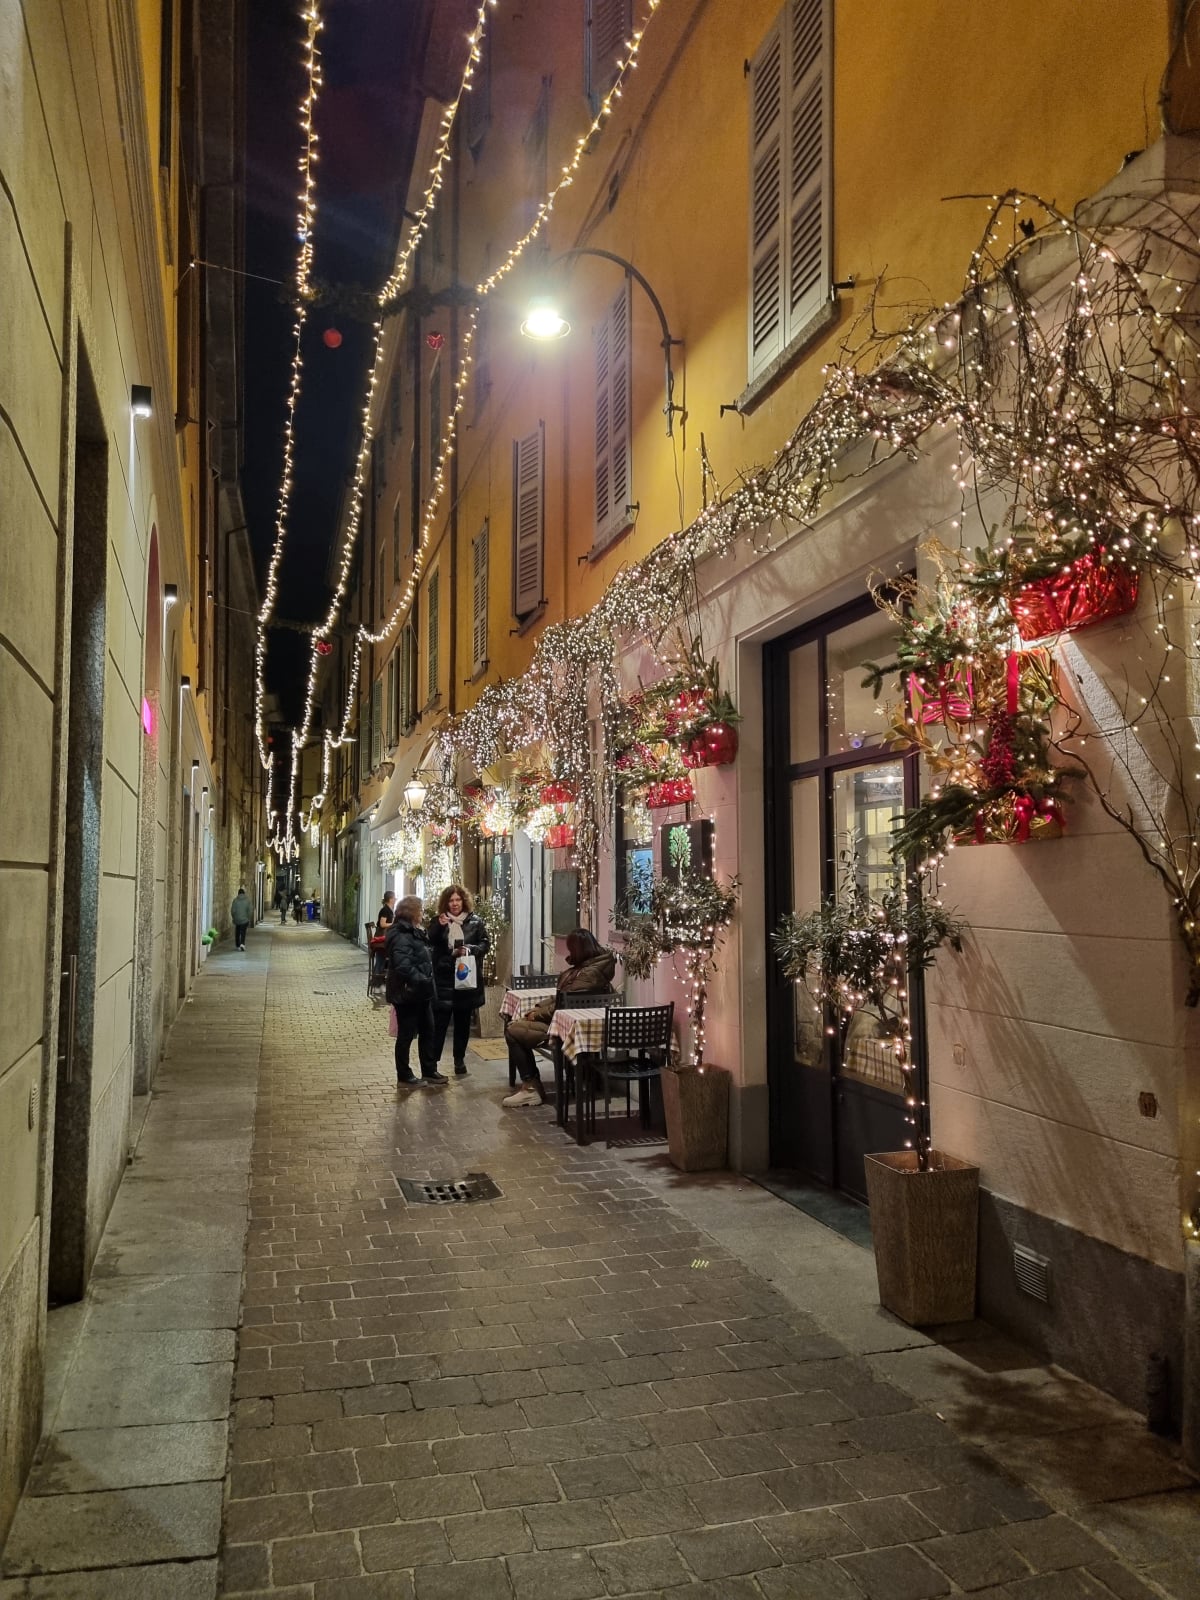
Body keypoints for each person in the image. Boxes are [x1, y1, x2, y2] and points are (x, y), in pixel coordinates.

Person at [502, 928, 616, 1108]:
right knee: (516, 1026)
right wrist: (538, 1008)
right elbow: (561, 997)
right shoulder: (592, 967)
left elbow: (565, 1003)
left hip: (567, 1030)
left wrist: (536, 1014)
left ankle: (531, 1089)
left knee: (512, 1031)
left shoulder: (589, 973)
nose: (569, 953)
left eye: (571, 949)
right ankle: (531, 1086)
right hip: (567, 1023)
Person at [428, 885, 490, 1078]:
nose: (454, 904)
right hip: (445, 979)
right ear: (446, 903)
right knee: (440, 1024)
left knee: (462, 1024)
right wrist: (440, 927)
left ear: (463, 901)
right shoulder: (439, 921)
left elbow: (485, 943)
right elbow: (431, 944)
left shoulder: (475, 922)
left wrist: (471, 950)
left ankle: (459, 1060)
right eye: (451, 900)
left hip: (466, 978)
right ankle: (432, 1065)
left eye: (458, 900)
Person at [385, 895, 447, 1087]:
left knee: (428, 1030)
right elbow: (403, 965)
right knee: (406, 1034)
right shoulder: (402, 934)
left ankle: (429, 1070)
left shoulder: (414, 931)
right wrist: (422, 979)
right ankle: (404, 1074)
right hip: (408, 993)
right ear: (412, 912)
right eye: (420, 910)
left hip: (421, 992)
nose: (422, 913)